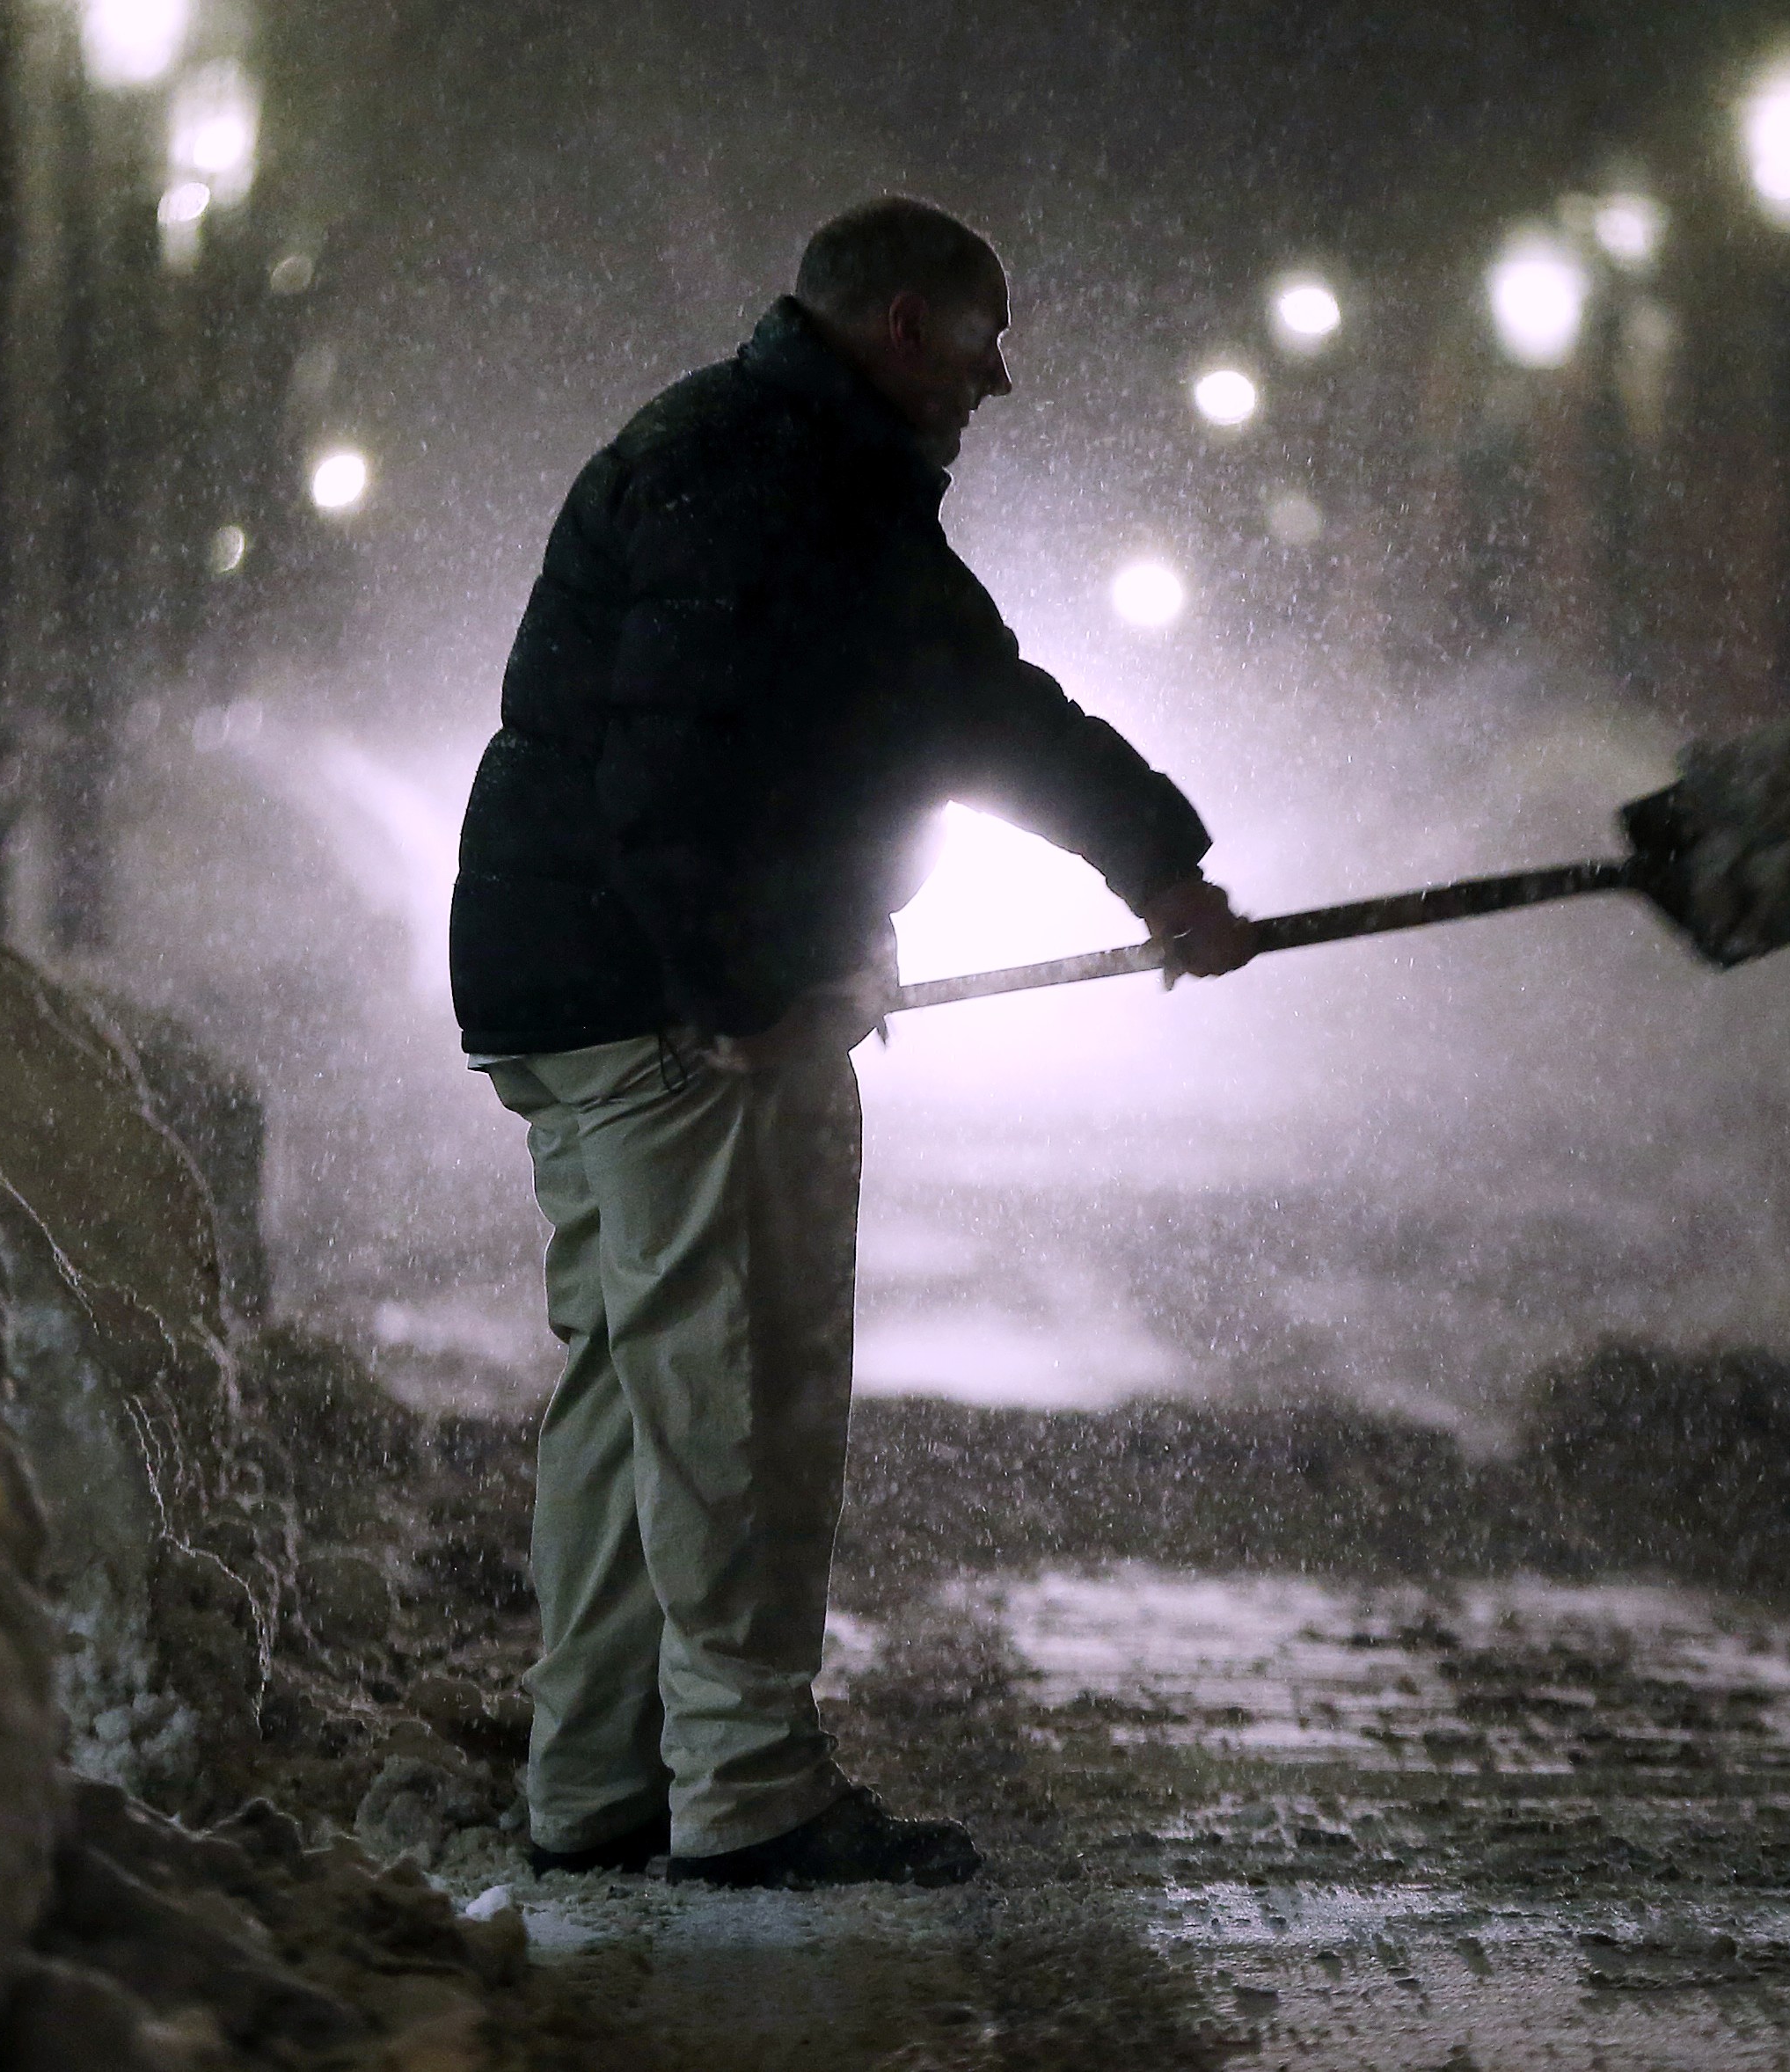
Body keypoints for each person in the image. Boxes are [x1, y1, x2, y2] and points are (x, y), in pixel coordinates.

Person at [449, 195, 1254, 1889]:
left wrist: (1162, 866)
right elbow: (667, 775)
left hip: (582, 992)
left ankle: (598, 1770)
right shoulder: (767, 478)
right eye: (984, 338)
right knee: (736, 1379)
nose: (1000, 380)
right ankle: (746, 1781)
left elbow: (978, 703)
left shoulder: (789, 469)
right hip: (672, 1014)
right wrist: (746, 995)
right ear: (900, 323)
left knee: (631, 1392)